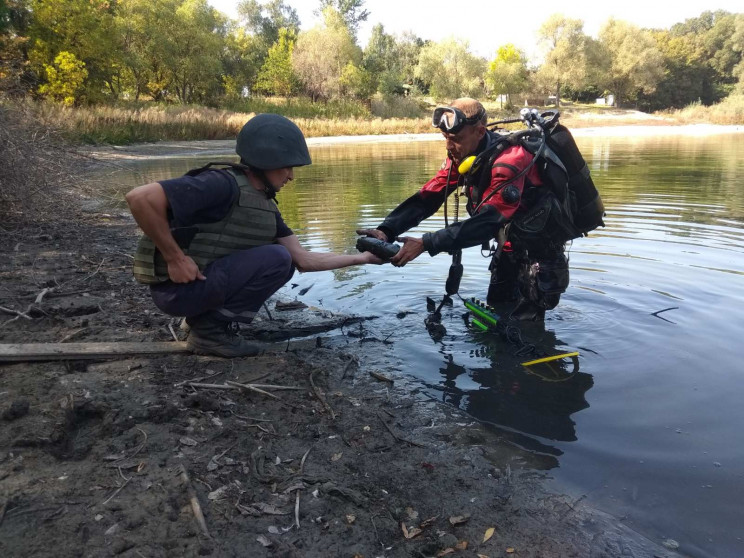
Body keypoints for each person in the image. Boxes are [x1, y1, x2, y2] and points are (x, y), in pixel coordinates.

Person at [127, 113, 381, 357]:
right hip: (175, 291)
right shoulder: (220, 184)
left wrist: (364, 259)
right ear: (266, 163)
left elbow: (303, 260)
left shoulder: (265, 206)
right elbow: (140, 198)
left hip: (193, 290)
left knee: (285, 261)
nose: (291, 176)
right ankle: (209, 334)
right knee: (278, 258)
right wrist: (175, 258)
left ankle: (200, 322)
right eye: (287, 168)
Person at [357, 97, 570, 321]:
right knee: (496, 314)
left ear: (479, 132)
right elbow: (428, 197)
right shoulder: (465, 156)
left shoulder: (509, 161)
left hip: (539, 256)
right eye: (445, 138)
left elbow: (489, 222)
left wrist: (426, 243)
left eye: (455, 139)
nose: (449, 146)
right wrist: (387, 230)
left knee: (527, 330)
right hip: (508, 248)